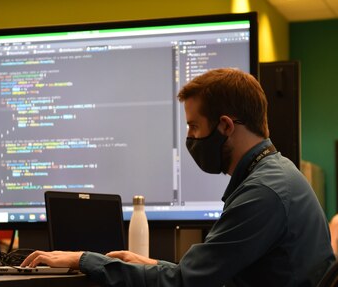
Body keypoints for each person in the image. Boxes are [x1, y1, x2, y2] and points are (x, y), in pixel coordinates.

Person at [21, 68, 335, 286]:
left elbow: (186, 283)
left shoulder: (264, 192)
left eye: (194, 127)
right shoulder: (275, 174)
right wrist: (151, 265)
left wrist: (81, 260)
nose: (190, 137)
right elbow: (203, 275)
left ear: (225, 126)